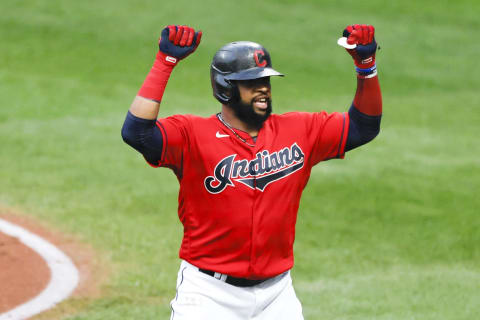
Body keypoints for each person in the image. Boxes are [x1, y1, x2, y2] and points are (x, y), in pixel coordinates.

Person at [121, 24, 382, 320]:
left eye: (265, 80)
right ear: (225, 88)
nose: (263, 89)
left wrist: (366, 67)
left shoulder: (300, 130)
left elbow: (363, 127)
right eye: (251, 83)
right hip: (209, 294)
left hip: (277, 294)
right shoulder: (191, 134)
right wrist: (164, 63)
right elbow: (136, 133)